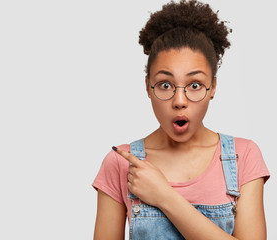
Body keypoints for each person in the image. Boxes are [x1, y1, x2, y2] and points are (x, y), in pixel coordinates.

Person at [92, 0, 270, 239]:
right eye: (165, 85)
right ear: (147, 86)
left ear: (213, 86)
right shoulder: (122, 163)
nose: (179, 101)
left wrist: (164, 197)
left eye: (194, 85)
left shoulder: (242, 157)